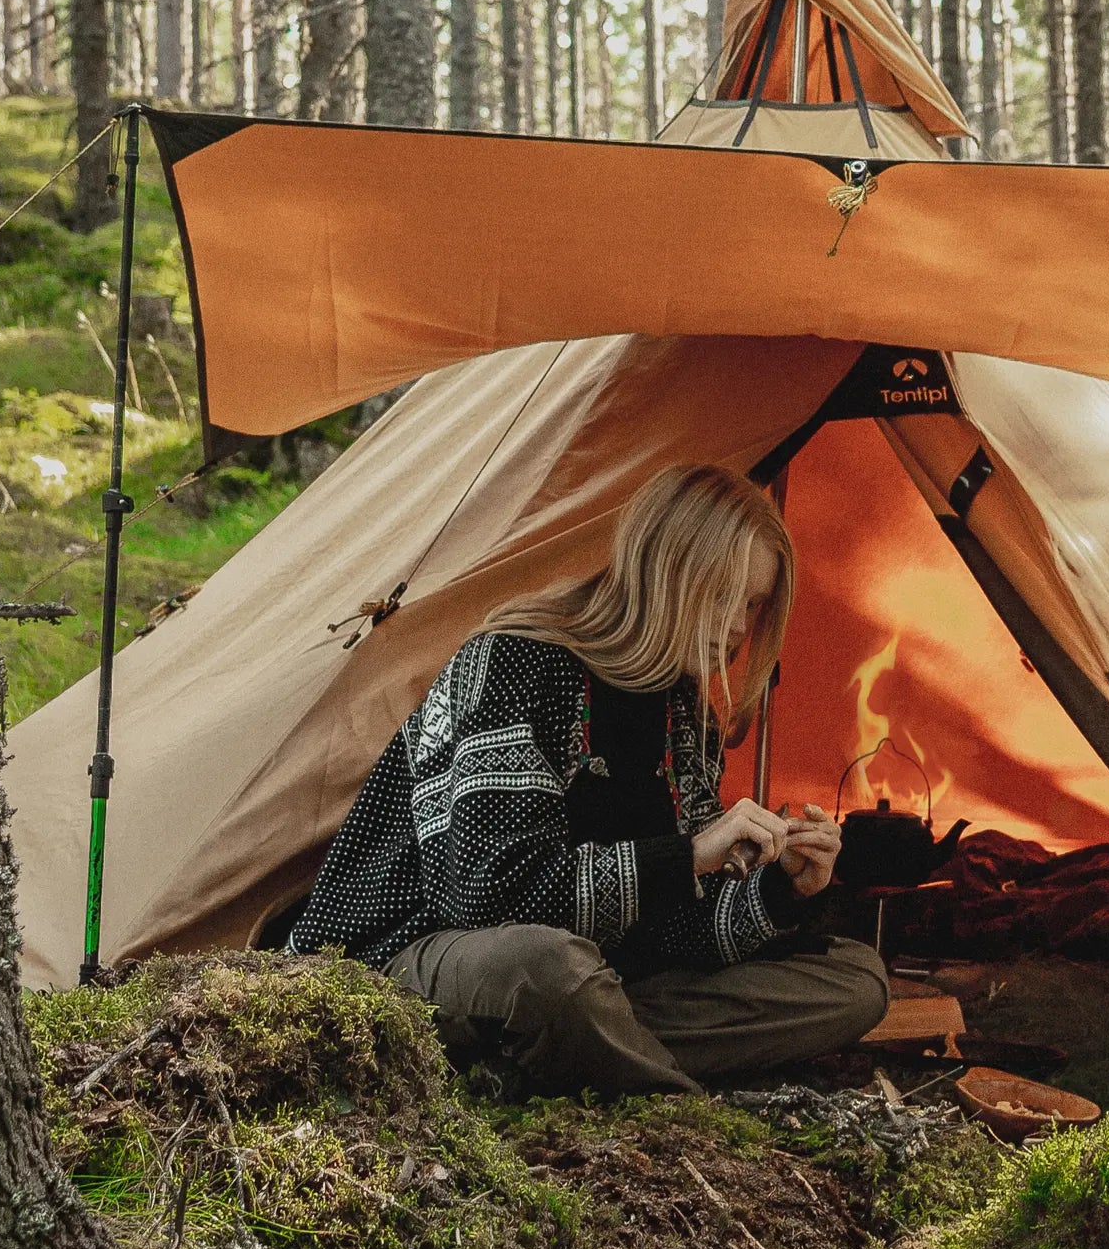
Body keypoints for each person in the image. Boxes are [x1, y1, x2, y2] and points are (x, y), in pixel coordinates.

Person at [288, 463, 891, 1093]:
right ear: (665, 573)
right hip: (412, 961)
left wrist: (779, 891)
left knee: (855, 980)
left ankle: (557, 1060)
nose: (739, 625)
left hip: (598, 978)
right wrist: (687, 854)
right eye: (723, 596)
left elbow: (672, 929)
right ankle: (664, 1097)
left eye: (753, 603)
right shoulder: (520, 660)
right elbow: (487, 899)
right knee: (552, 970)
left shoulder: (683, 712)